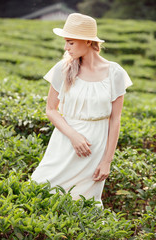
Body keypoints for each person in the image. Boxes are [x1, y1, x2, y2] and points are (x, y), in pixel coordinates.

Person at [31, 13, 133, 208]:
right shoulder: (63, 68)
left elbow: (115, 119)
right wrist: (73, 136)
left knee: (83, 204)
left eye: (70, 42)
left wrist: (107, 161)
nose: (65, 48)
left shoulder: (115, 72)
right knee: (40, 189)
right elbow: (51, 109)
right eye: (65, 43)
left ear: (87, 41)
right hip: (64, 142)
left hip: (95, 149)